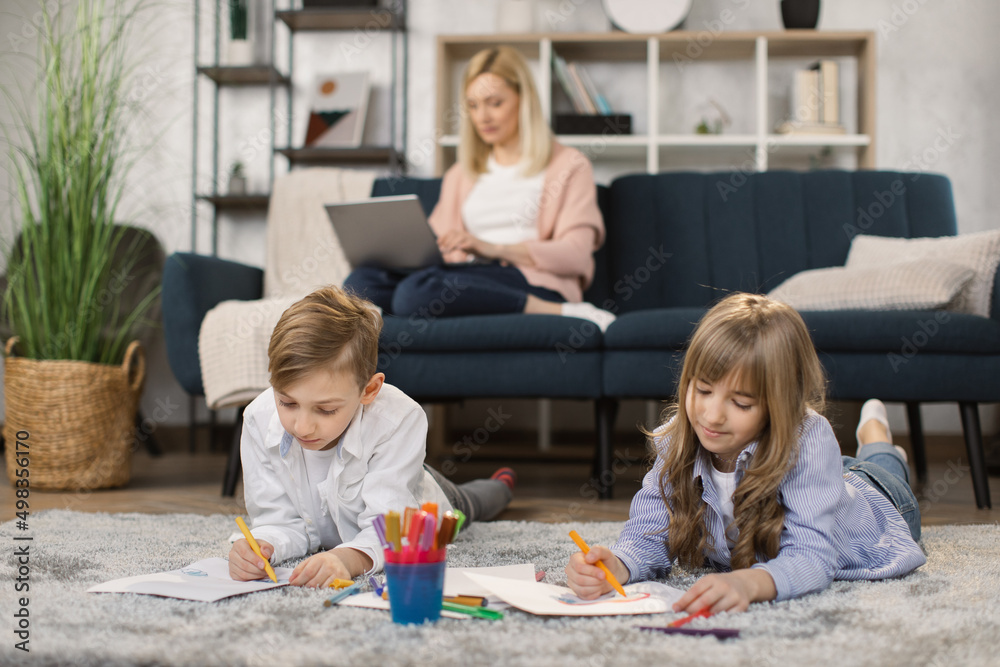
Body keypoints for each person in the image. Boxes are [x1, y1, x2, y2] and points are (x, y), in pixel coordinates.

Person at [565, 293, 926, 612]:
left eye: (739, 402)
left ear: (779, 405)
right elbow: (650, 528)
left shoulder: (810, 439)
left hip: (878, 501)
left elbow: (813, 557)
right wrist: (620, 563)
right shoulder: (680, 436)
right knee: (851, 470)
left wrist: (748, 583)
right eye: (703, 390)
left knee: (881, 469)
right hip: (827, 478)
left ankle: (877, 437)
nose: (712, 415)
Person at [228, 285, 516, 586]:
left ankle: (502, 485)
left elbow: (390, 531)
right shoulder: (258, 419)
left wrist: (347, 559)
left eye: (325, 410)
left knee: (471, 504)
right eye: (287, 403)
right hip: (387, 468)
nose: (301, 427)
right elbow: (277, 520)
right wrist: (261, 545)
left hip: (419, 492)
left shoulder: (398, 419)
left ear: (369, 390)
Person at [343, 46, 616, 332]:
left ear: (524, 101)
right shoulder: (461, 173)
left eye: (494, 103)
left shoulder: (569, 165)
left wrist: (491, 247)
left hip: (530, 279)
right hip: (464, 275)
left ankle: (560, 311)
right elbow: (438, 245)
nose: (482, 116)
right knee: (360, 282)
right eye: (473, 105)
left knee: (416, 293)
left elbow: (575, 255)